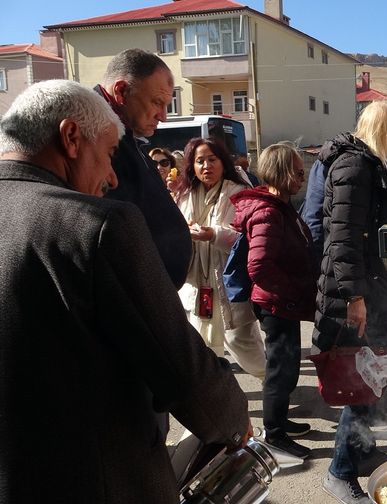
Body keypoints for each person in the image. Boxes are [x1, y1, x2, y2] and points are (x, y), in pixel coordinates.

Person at [0, 79, 251, 503]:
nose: (113, 177)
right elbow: (178, 363)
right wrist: (231, 419)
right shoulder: (96, 225)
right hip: (96, 481)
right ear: (71, 137)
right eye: (111, 154)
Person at [314, 101, 387, 504]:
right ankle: (339, 473)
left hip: (375, 291)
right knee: (358, 385)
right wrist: (354, 297)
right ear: (385, 128)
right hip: (355, 297)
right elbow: (342, 239)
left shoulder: (375, 165)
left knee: (374, 377)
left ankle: (360, 450)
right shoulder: (356, 166)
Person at [231, 143, 316, 460]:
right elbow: (259, 266)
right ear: (281, 172)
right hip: (277, 304)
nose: (302, 176)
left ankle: (279, 421)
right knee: (280, 370)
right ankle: (274, 435)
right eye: (296, 170)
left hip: (283, 303)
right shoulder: (268, 212)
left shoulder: (280, 206)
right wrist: (291, 291)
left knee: (288, 366)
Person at [96, 48, 191, 289]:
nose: (163, 116)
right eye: (157, 102)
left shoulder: (124, 135)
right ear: (121, 91)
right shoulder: (95, 136)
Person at [173, 138, 267, 379]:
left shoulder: (238, 193)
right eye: (199, 161)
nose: (206, 166)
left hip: (227, 280)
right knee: (202, 342)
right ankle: (217, 394)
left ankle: (272, 382)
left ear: (223, 162)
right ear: (191, 166)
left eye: (212, 159)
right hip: (197, 281)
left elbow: (245, 236)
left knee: (242, 340)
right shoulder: (184, 194)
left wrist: (213, 234)